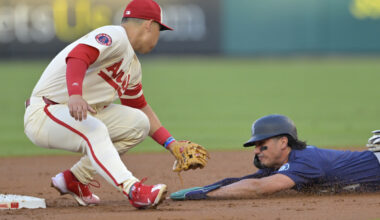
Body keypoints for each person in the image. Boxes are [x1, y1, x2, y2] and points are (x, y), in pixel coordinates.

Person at [24, 0, 208, 209]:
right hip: (45, 112)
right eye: (159, 29)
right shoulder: (115, 35)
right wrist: (75, 94)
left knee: (138, 124)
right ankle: (134, 190)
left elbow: (139, 107)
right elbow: (78, 55)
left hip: (76, 114)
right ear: (148, 25)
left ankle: (75, 179)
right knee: (95, 129)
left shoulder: (133, 66)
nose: (158, 36)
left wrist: (171, 143)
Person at [170, 114, 380, 200]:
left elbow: (258, 187)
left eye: (262, 145)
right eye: (255, 146)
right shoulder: (286, 164)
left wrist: (204, 196)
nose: (256, 150)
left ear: (283, 142)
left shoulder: (305, 160)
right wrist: (201, 190)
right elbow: (246, 182)